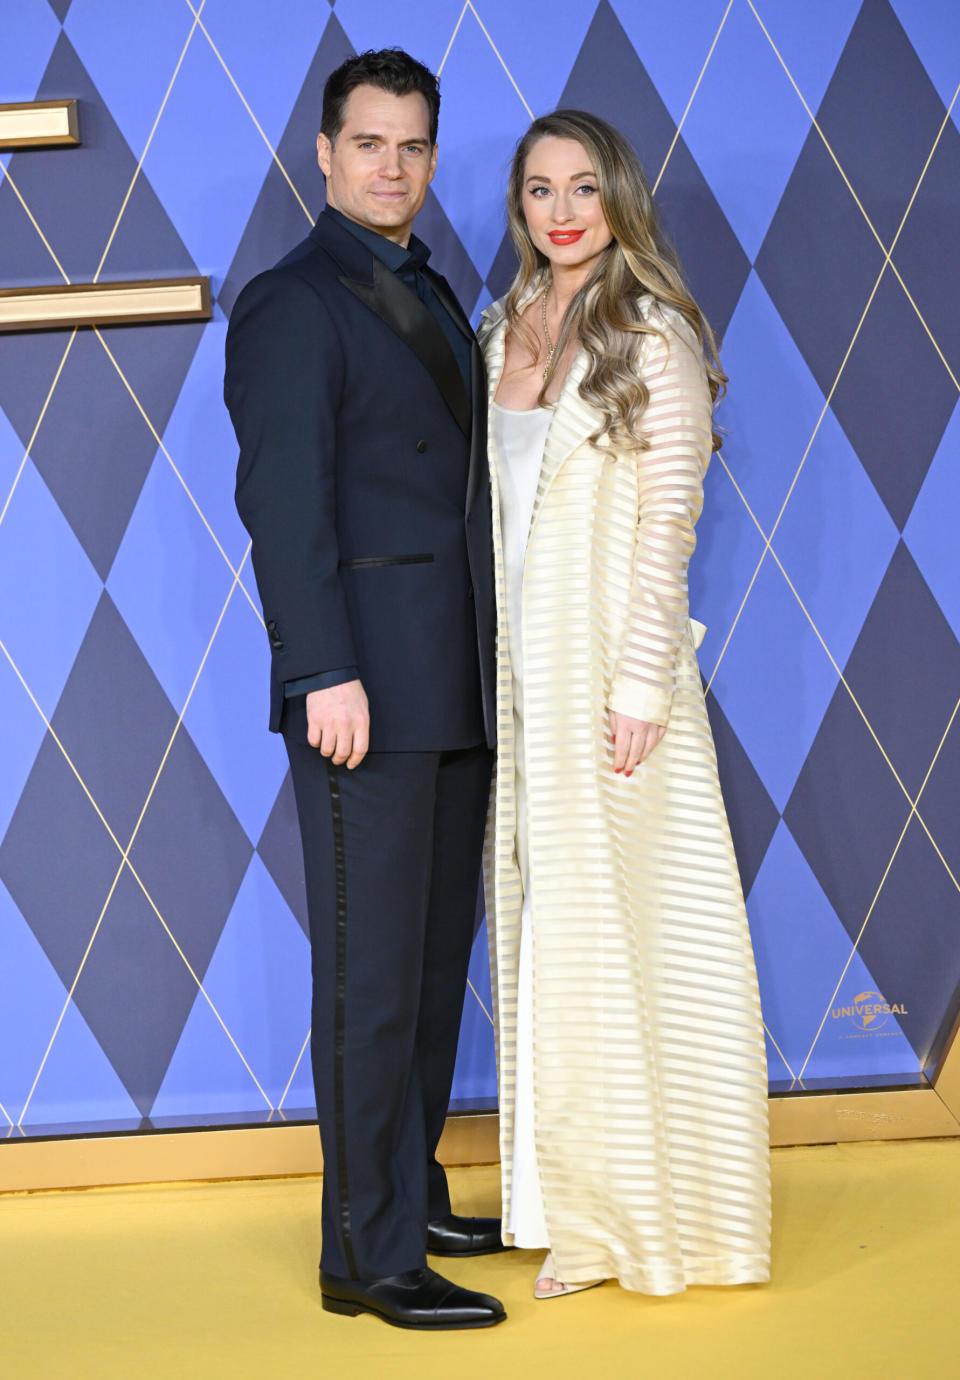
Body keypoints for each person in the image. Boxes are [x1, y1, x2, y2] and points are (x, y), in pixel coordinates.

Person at [224, 49, 506, 1331]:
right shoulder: (295, 300)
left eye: (414, 148)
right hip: (364, 694)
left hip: (452, 676)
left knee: (434, 963)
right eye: (369, 144)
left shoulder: (433, 288)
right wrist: (319, 669)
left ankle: (413, 1190)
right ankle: (365, 1254)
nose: (392, 167)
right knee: (371, 975)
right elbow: (281, 506)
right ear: (324, 155)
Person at [478, 109, 771, 1299]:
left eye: (583, 185)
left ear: (621, 197)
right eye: (540, 188)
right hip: (518, 680)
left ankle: (648, 1226)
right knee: (549, 939)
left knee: (632, 947)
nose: (561, 210)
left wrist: (644, 681)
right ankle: (567, 1204)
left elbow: (669, 524)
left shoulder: (651, 335)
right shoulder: (500, 325)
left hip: (609, 677)